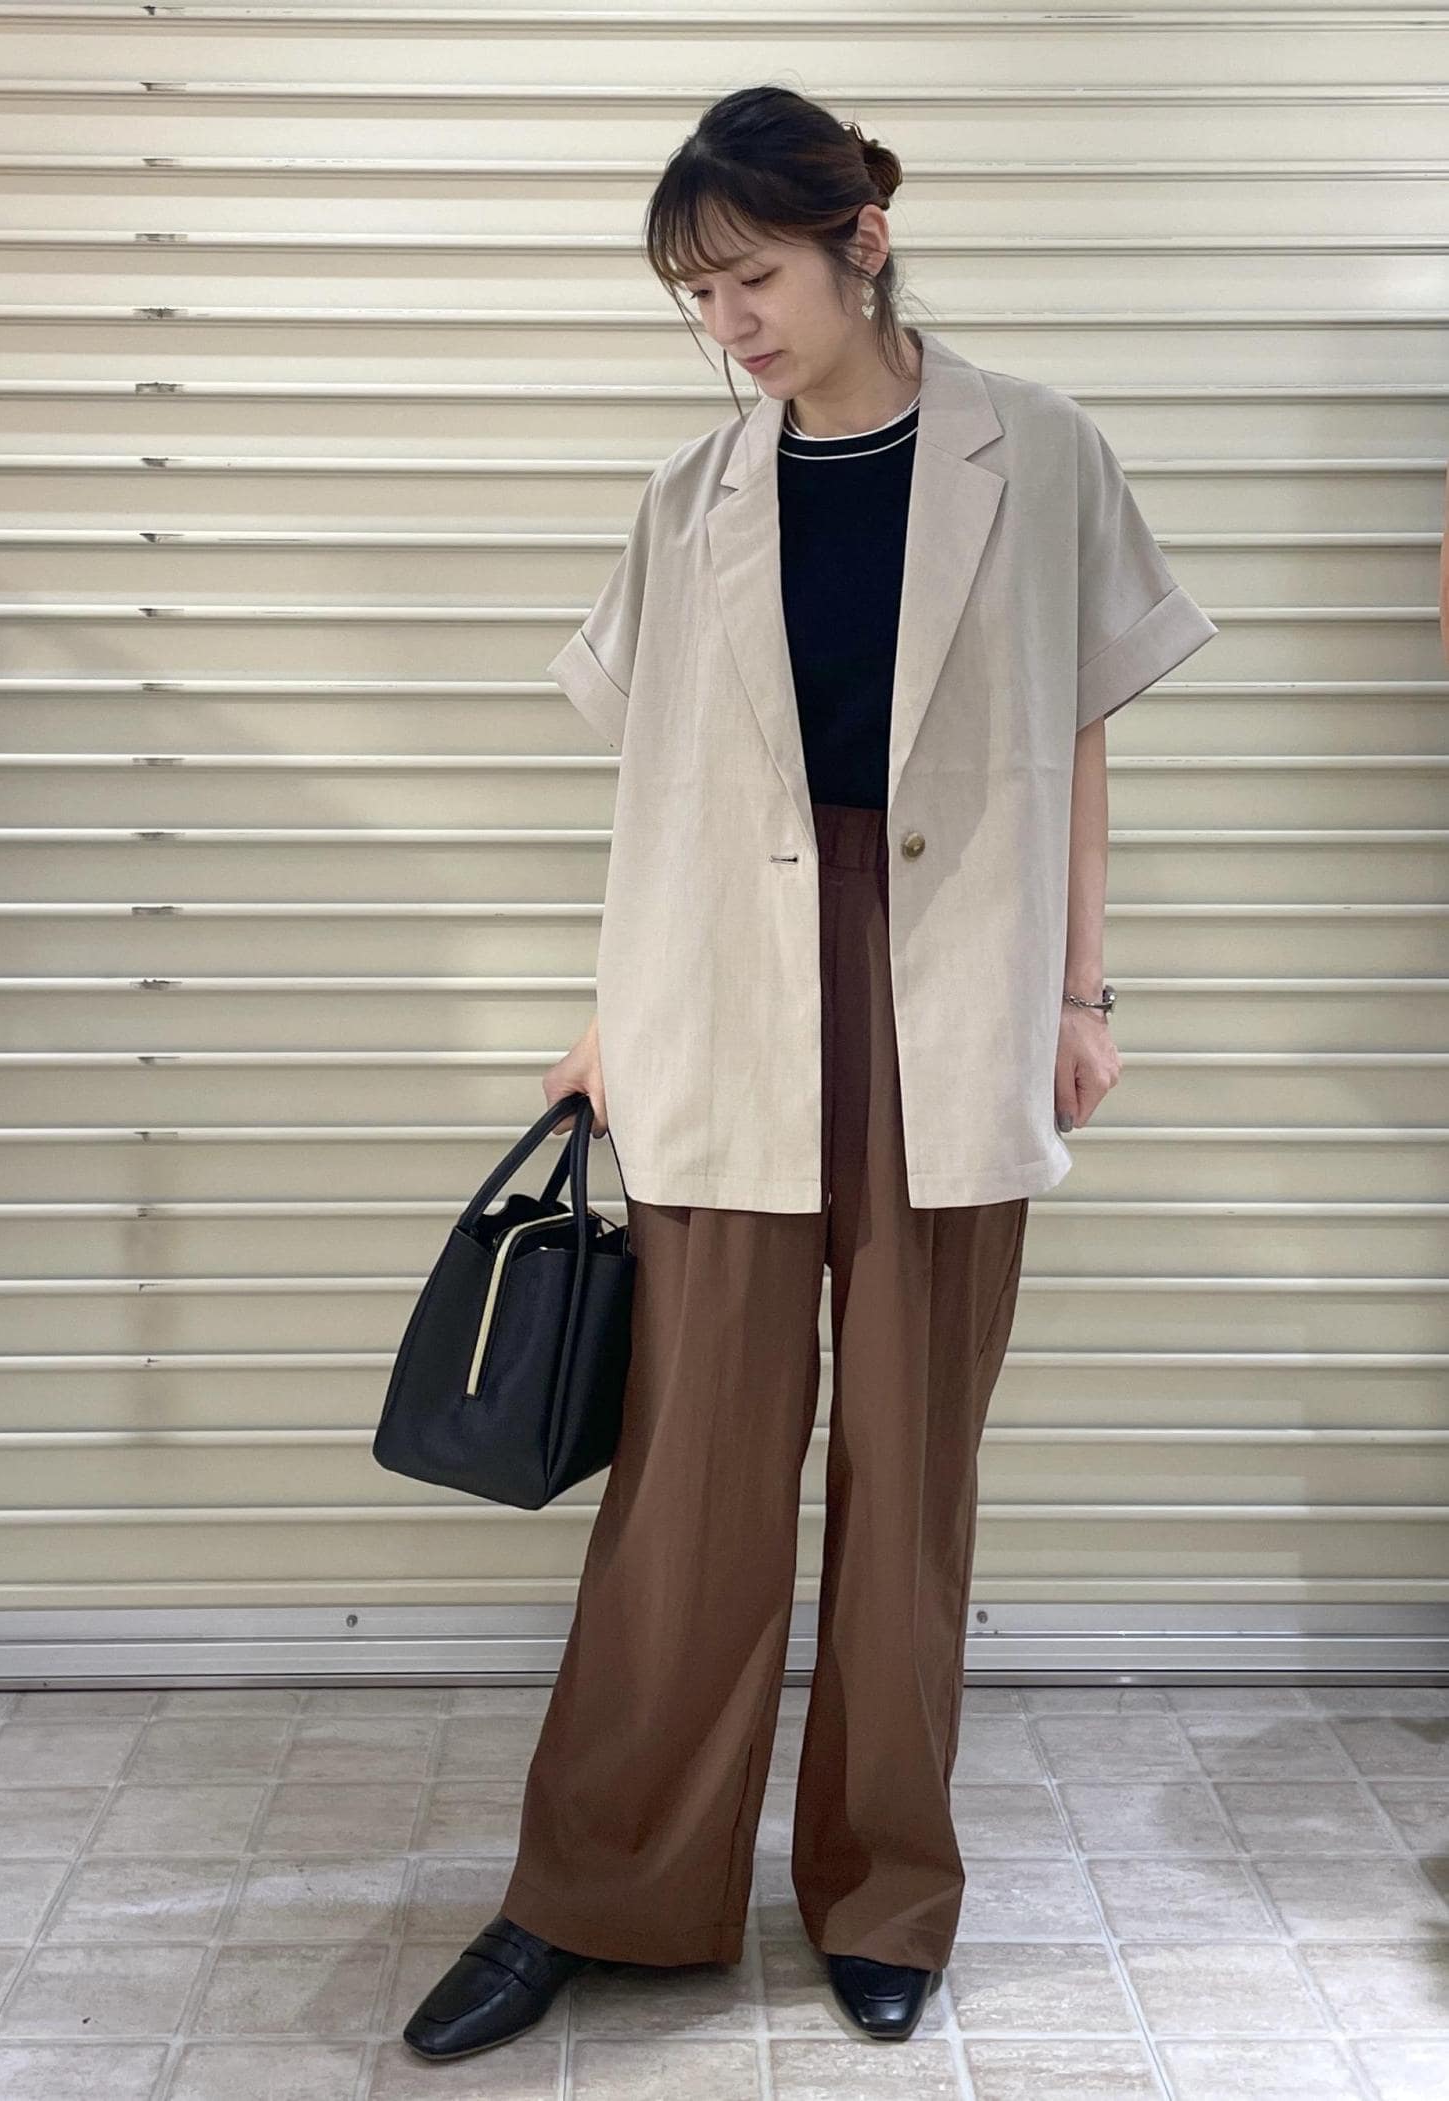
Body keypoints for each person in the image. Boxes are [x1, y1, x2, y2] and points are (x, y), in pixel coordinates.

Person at [403, 83, 1218, 2064]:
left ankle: (885, 1892)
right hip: (722, 988)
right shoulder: (691, 496)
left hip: (960, 982)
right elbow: (659, 787)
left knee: (914, 1472)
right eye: (697, 295)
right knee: (689, 1473)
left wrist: (1085, 993)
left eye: (751, 276)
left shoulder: (1042, 450)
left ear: (863, 239)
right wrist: (614, 1013)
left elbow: (1083, 740)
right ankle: (600, 1883)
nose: (729, 324)